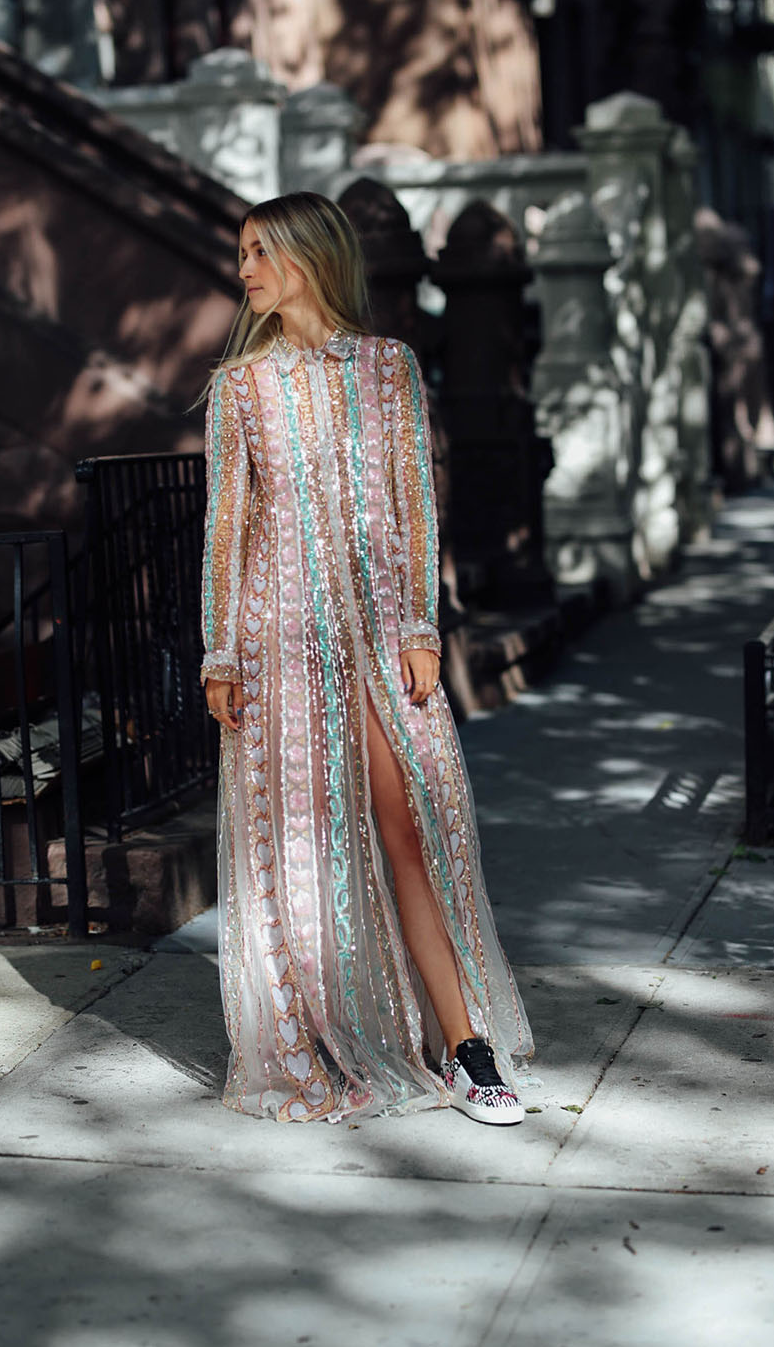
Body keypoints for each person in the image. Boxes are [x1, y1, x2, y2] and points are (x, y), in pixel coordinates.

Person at [200, 191, 533, 1124]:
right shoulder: (241, 386)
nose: (246, 271)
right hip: (280, 641)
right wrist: (220, 651)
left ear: (311, 254)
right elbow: (227, 525)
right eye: (242, 254)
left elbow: (416, 503)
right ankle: (318, 1037)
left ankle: (467, 1048)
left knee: (412, 825)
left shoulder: (389, 369)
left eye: (261, 251)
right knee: (298, 848)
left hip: (383, 635)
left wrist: (423, 628)